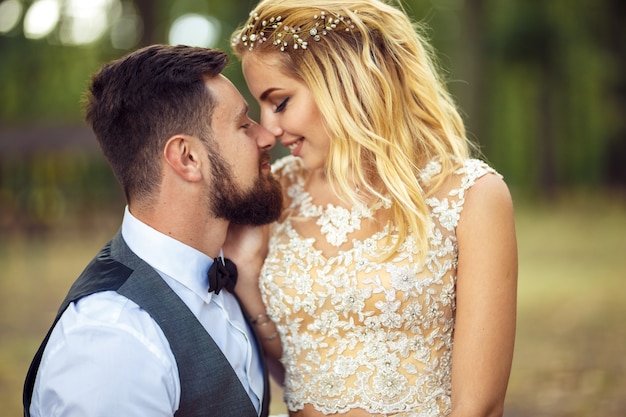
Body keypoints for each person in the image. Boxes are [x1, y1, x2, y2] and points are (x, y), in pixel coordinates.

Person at [227, 0, 519, 416]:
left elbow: (481, 405)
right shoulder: (278, 193)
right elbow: (293, 367)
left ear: (343, 81)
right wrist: (248, 281)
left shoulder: (472, 195)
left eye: (280, 102)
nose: (268, 128)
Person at [23, 44, 283, 417]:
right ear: (188, 158)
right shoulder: (112, 340)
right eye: (244, 125)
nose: (266, 136)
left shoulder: (230, 268)